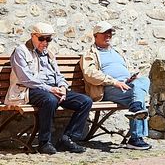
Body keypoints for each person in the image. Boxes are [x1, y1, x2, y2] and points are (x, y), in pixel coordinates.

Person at [6, 22, 92, 155]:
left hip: (52, 89)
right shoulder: (21, 51)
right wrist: (50, 89)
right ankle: (44, 142)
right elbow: (26, 79)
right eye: (42, 38)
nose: (45, 42)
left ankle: (67, 138)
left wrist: (62, 87)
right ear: (33, 36)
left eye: (48, 39)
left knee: (85, 101)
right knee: (50, 100)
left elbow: (58, 75)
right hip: (28, 90)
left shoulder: (49, 54)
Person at [80, 22, 153, 151]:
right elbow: (90, 74)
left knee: (143, 81)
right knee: (138, 95)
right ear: (96, 36)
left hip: (126, 85)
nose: (108, 35)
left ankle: (135, 110)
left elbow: (125, 70)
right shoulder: (90, 54)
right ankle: (136, 138)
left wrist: (131, 78)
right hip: (108, 88)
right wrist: (113, 82)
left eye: (110, 33)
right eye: (104, 33)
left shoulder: (116, 52)